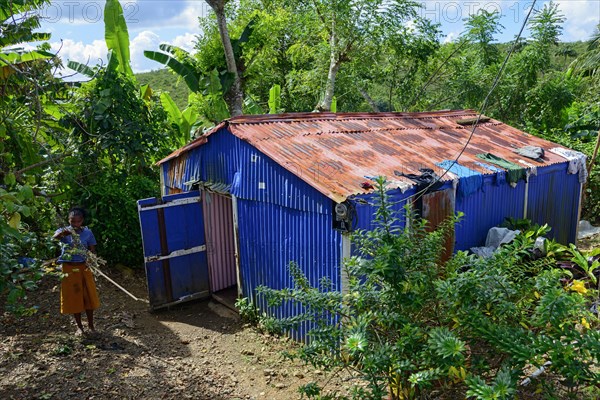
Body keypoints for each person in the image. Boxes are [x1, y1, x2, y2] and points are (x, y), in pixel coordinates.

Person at [53, 207, 100, 335]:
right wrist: (64, 233)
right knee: (74, 297)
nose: (75, 224)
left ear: (82, 221)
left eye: (78, 222)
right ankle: (79, 327)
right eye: (72, 222)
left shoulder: (87, 233)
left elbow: (92, 249)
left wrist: (92, 260)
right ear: (69, 220)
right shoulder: (63, 232)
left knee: (88, 296)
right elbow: (55, 237)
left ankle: (91, 325)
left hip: (84, 267)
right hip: (68, 268)